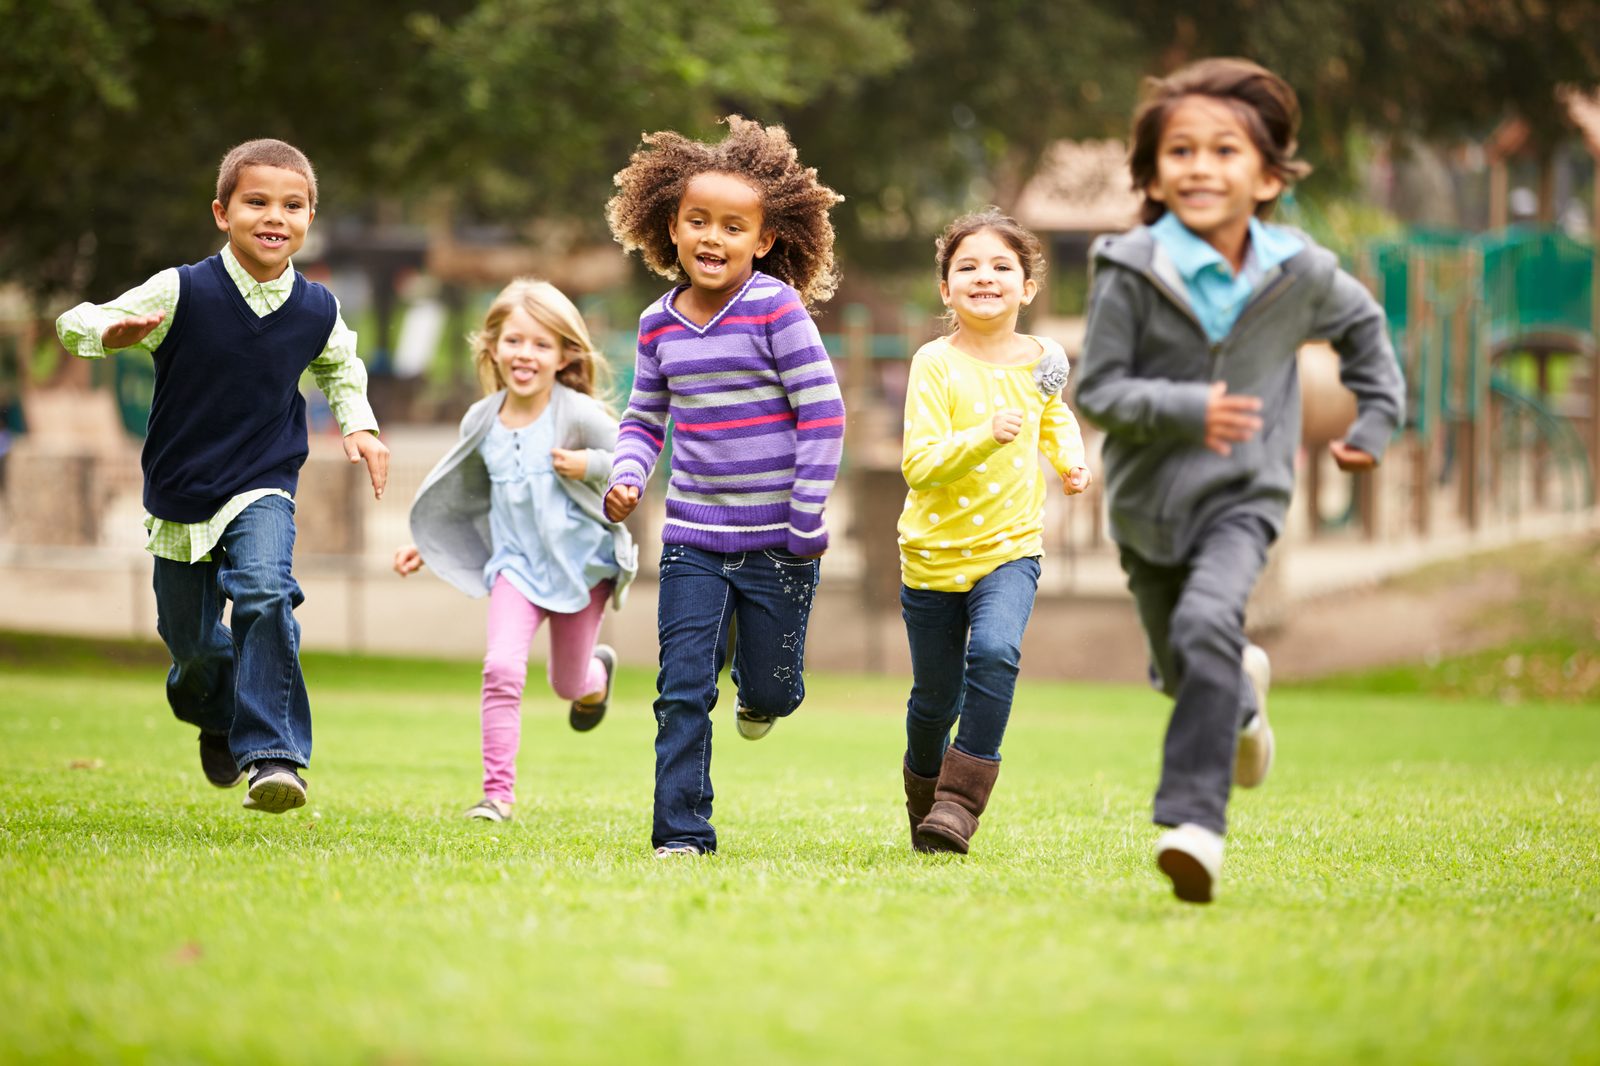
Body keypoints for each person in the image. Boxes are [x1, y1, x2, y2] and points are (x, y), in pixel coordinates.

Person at [1074, 58, 1405, 901]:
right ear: (1152, 173)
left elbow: (1368, 337)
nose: (1200, 167)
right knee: (1182, 663)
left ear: (1266, 176)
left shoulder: (1300, 274)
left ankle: (1195, 825)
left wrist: (1373, 423)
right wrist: (1188, 408)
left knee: (1208, 622)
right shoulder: (1130, 268)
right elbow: (1100, 390)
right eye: (1180, 150)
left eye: (1225, 151)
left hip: (1243, 497)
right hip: (1147, 507)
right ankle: (1244, 709)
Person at [55, 138, 389, 813]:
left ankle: (275, 758)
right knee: (194, 649)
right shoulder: (181, 289)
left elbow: (341, 369)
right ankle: (217, 714)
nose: (276, 216)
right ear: (221, 211)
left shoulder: (317, 308)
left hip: (264, 482)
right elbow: (76, 322)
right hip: (181, 490)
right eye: (257, 201)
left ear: (310, 217)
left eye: (293, 205)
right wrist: (110, 336)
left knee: (266, 591)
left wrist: (360, 424)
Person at [602, 116, 846, 857]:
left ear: (764, 240)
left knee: (772, 693)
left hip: (780, 541)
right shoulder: (657, 326)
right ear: (668, 228)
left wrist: (805, 516)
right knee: (681, 689)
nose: (713, 237)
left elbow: (823, 413)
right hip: (694, 542)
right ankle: (681, 833)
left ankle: (761, 682)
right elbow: (645, 418)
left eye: (733, 226)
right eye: (698, 221)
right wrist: (626, 473)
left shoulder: (775, 309)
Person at [395, 279, 637, 823]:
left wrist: (589, 466)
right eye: (513, 341)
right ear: (493, 347)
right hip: (515, 568)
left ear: (564, 355)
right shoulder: (480, 421)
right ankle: (497, 796)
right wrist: (427, 545)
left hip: (581, 569)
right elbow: (468, 496)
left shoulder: (575, 414)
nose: (525, 354)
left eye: (541, 344)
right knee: (501, 668)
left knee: (567, 684)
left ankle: (594, 677)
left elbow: (631, 457)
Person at [897, 210, 1092, 856]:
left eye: (1002, 266)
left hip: (1010, 548)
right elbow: (919, 466)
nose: (986, 276)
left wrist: (1071, 460)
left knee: (997, 653)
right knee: (934, 700)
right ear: (947, 289)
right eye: (968, 267)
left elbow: (1054, 418)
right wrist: (985, 437)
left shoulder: (1045, 360)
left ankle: (959, 803)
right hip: (932, 558)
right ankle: (924, 797)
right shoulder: (934, 365)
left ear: (1028, 287)